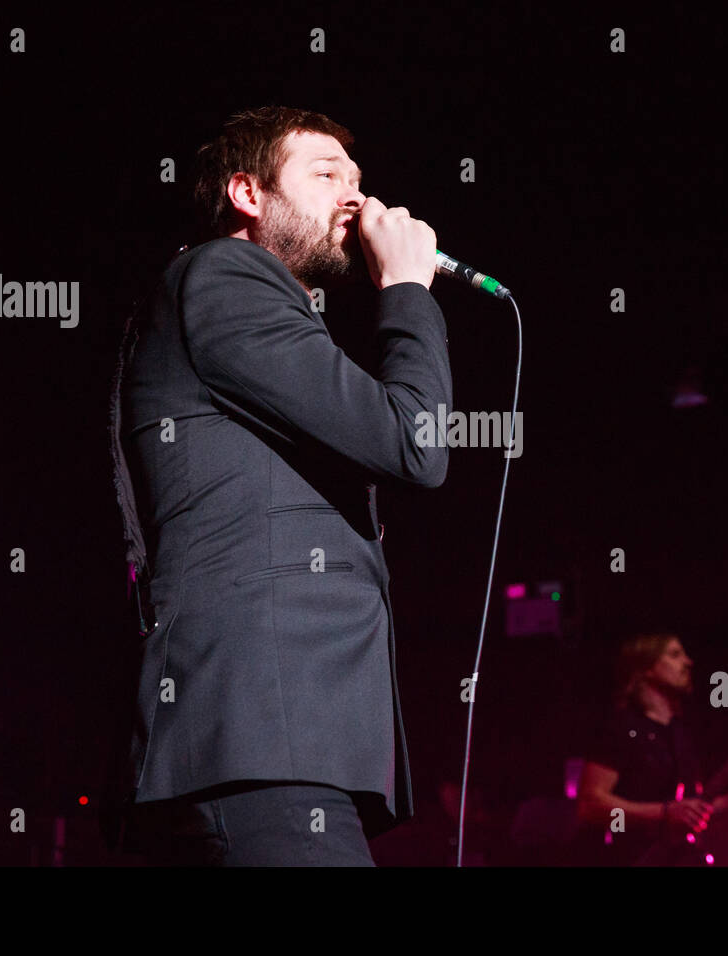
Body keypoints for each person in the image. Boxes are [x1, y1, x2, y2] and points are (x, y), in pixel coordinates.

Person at [103, 106, 453, 865]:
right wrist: (407, 289)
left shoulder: (247, 301)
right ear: (247, 193)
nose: (355, 200)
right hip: (259, 743)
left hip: (261, 750)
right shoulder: (225, 276)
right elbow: (412, 442)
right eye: (326, 175)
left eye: (358, 181)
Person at [576, 633, 728, 865]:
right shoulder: (622, 729)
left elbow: (691, 808)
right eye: (674, 655)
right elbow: (590, 809)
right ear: (646, 668)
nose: (688, 662)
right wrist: (662, 814)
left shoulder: (680, 732)